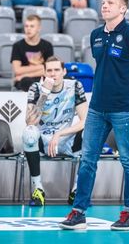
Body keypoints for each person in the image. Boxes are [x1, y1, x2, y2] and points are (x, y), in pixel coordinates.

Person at [59, 0, 129, 231]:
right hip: (97, 108)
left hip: (125, 108)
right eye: (103, 2)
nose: (104, 5)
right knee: (87, 160)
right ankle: (78, 212)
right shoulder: (95, 35)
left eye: (111, 2)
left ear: (123, 8)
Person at [23, 56, 88, 206]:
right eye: (49, 71)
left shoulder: (75, 86)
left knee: (90, 133)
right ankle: (38, 189)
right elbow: (30, 122)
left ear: (64, 71)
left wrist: (59, 134)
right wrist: (44, 94)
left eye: (57, 70)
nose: (53, 74)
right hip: (44, 140)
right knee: (29, 132)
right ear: (44, 73)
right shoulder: (36, 88)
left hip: (67, 139)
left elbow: (85, 121)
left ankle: (77, 191)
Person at [11, 14, 53, 91]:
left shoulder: (47, 45)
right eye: (26, 26)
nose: (28, 29)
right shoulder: (17, 46)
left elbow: (49, 69)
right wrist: (41, 66)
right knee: (27, 82)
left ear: (39, 28)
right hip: (24, 81)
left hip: (40, 78)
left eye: (32, 26)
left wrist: (25, 74)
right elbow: (17, 70)